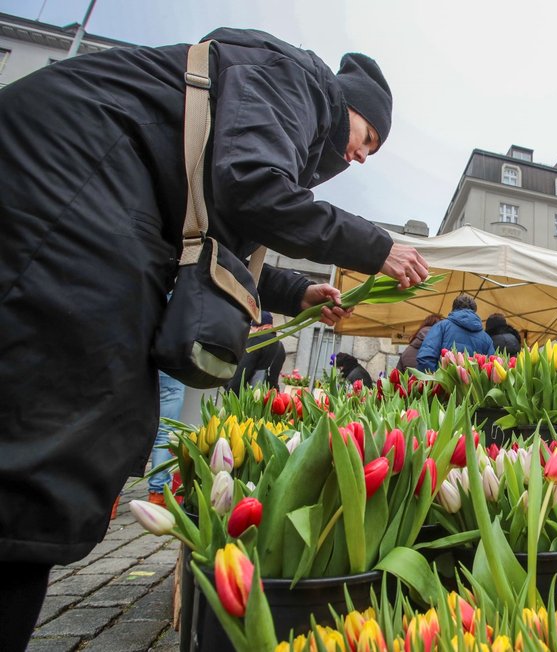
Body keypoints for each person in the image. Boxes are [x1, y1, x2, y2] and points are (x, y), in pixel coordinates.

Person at [0, 28, 430, 647]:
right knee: (64, 406)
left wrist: (293, 292)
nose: (362, 157)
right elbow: (250, 186)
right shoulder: (297, 80)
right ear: (350, 106)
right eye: (369, 139)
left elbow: (220, 218)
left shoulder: (283, 99)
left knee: (87, 405)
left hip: (97, 180)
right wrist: (378, 247)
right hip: (72, 170)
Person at [416, 294, 495, 371]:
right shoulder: (487, 339)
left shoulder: (441, 327)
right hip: (473, 384)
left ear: (453, 308)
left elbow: (425, 358)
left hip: (442, 382)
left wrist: (437, 381)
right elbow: (492, 367)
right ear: (474, 311)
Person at [146, 372, 188, 507]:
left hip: (136, 366)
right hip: (169, 369)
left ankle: (112, 498)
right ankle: (157, 494)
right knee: (164, 432)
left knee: (126, 430)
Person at [224, 311, 287, 392]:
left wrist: (230, 394)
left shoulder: (256, 340)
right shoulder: (280, 346)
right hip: (269, 396)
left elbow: (242, 372)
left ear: (257, 327)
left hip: (252, 397)